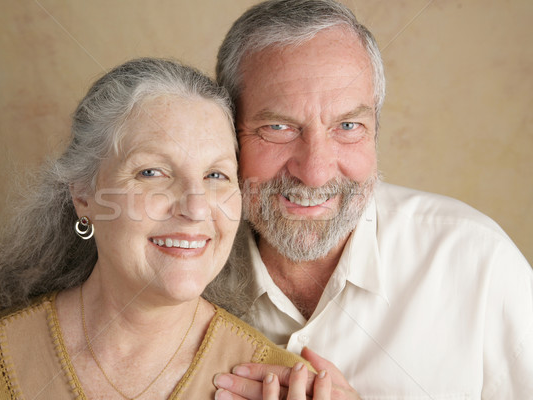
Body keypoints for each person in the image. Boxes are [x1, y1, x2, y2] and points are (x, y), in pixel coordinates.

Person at [0, 58, 330, 399]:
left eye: (216, 174)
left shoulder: (281, 388)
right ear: (84, 196)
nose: (195, 207)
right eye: (152, 172)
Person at [204, 0, 533, 399]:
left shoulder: (479, 263)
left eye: (347, 125)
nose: (316, 172)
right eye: (278, 126)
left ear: (375, 131)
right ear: (227, 131)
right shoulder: (177, 265)